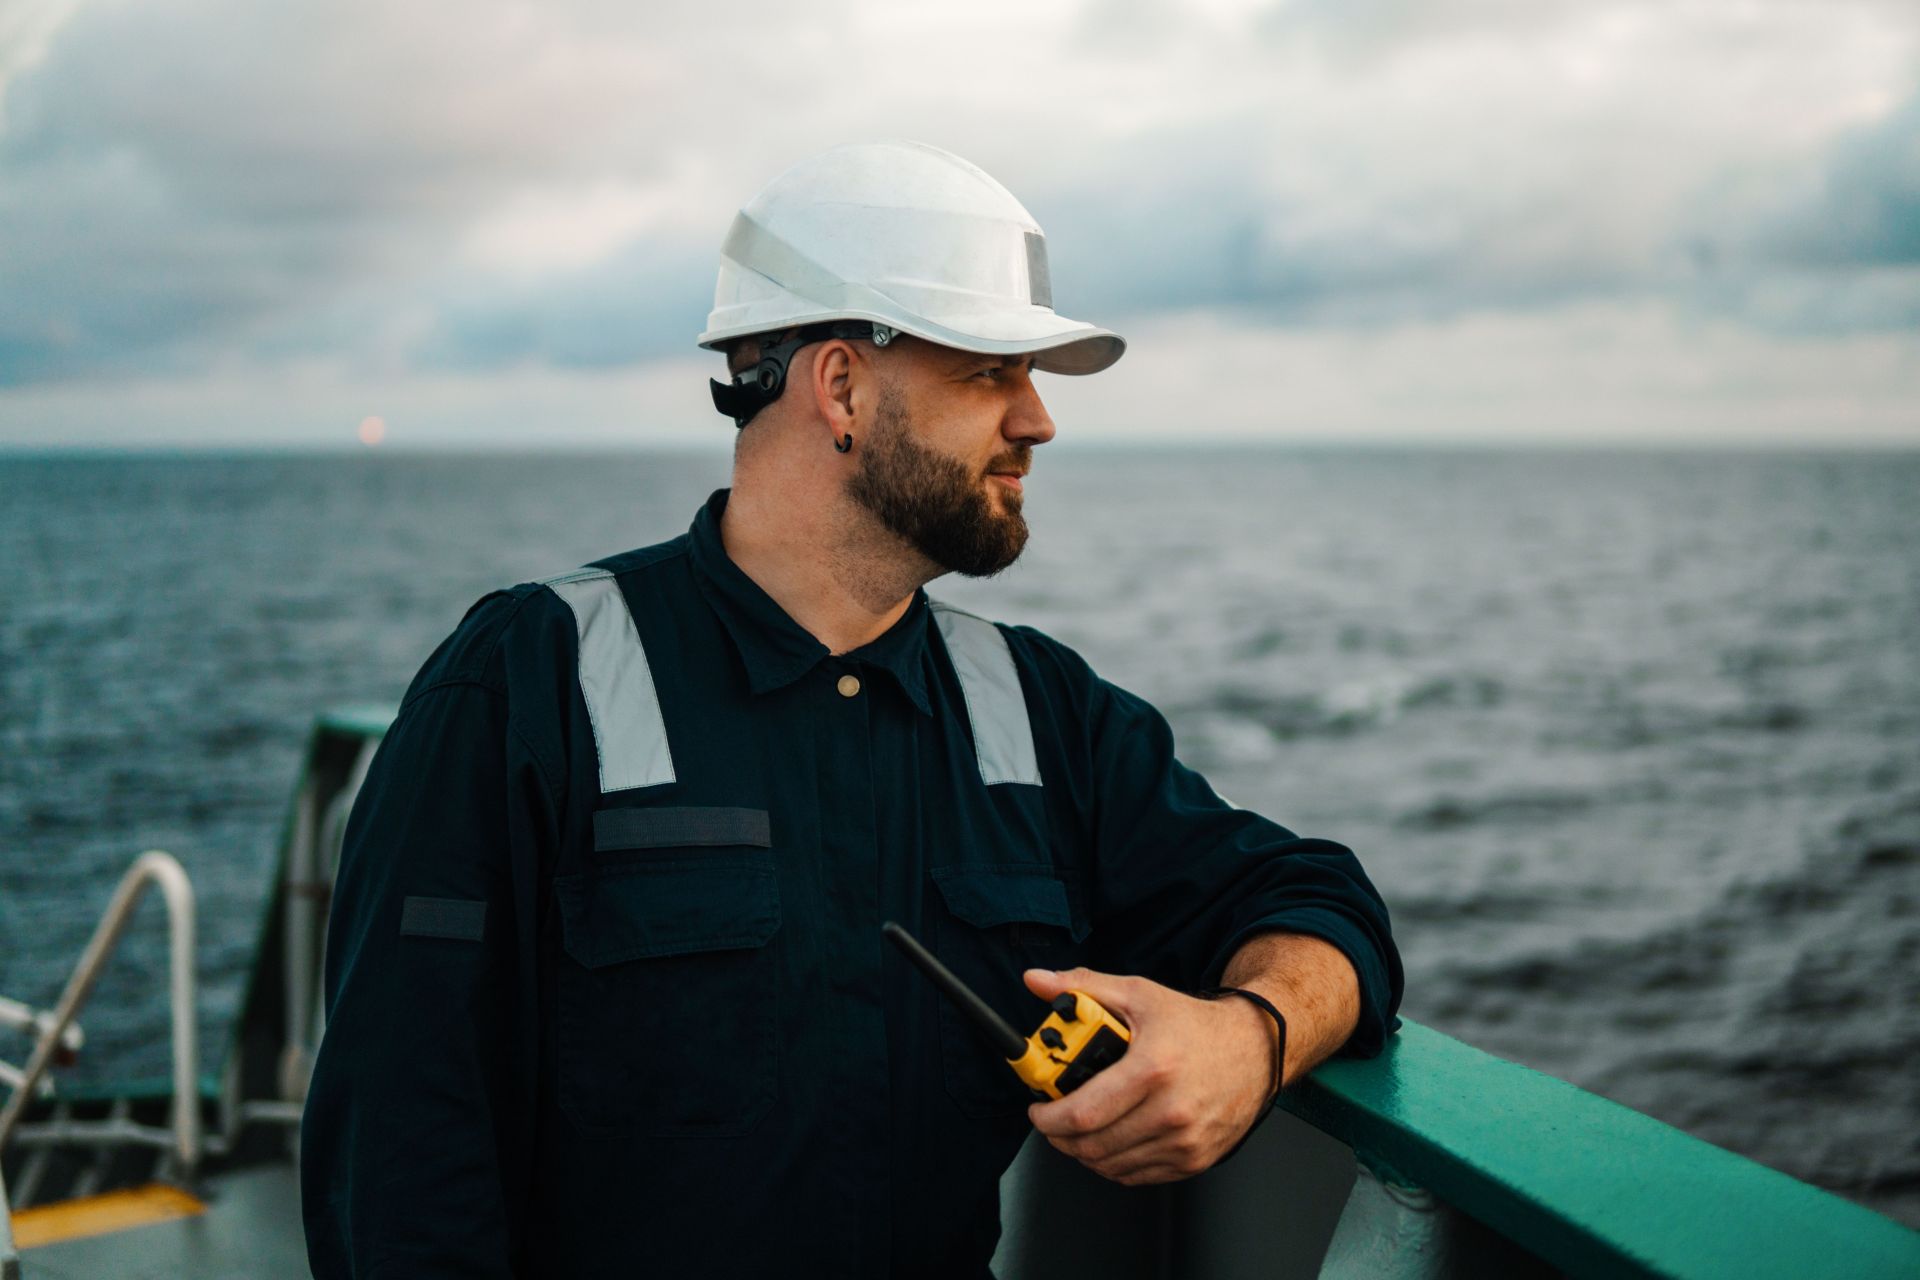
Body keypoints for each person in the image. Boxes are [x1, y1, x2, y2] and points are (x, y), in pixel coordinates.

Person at [301, 140, 1402, 1279]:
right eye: (991, 372)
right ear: (841, 385)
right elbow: (399, 1173)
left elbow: (1320, 899)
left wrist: (1251, 1037)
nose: (1038, 420)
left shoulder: (1038, 711)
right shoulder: (522, 687)